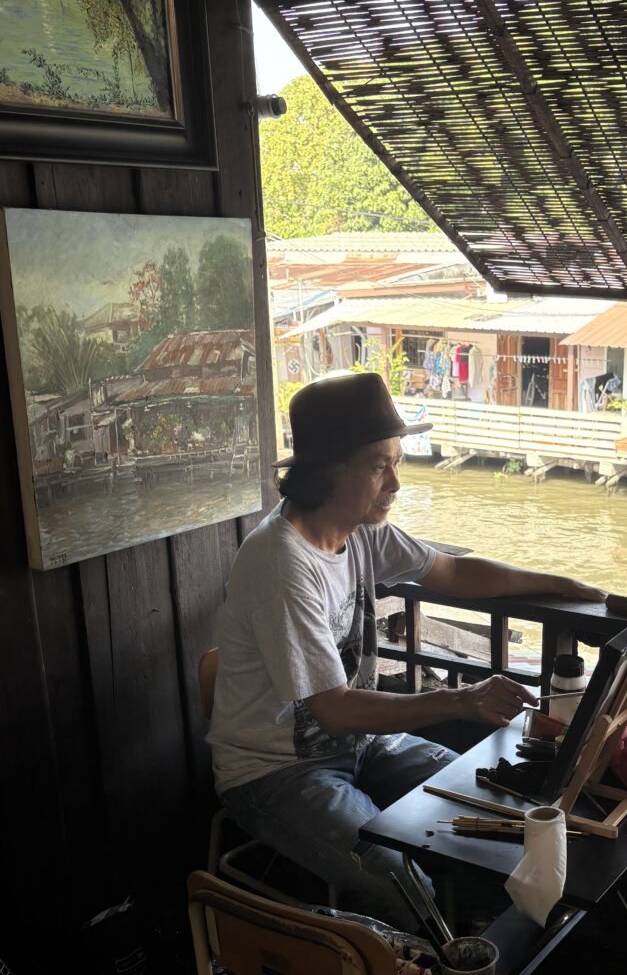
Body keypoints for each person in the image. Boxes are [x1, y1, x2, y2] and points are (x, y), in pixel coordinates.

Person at [208, 373, 606, 929]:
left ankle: (486, 948)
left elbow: (450, 571)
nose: (395, 483)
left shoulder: (359, 528)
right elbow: (335, 710)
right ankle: (435, 962)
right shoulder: (280, 563)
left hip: (363, 745)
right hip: (275, 772)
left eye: (396, 462)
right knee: (402, 881)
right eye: (379, 466)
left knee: (491, 801)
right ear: (326, 471)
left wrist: (554, 583)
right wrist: (463, 700)